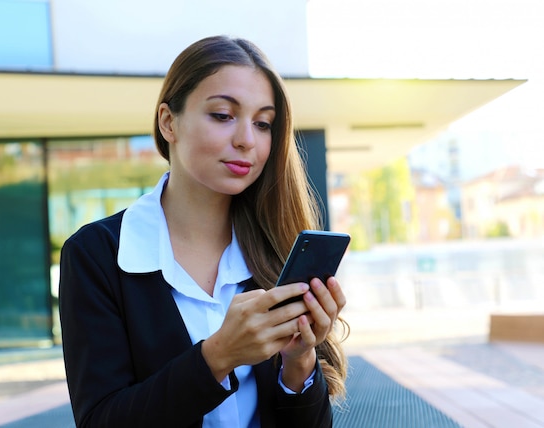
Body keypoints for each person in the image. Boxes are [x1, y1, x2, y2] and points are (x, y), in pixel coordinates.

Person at [59, 35, 348, 428]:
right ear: (168, 122)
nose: (247, 140)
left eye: (263, 123)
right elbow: (100, 420)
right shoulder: (96, 255)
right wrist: (217, 356)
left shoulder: (276, 251)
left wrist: (298, 363)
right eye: (223, 115)